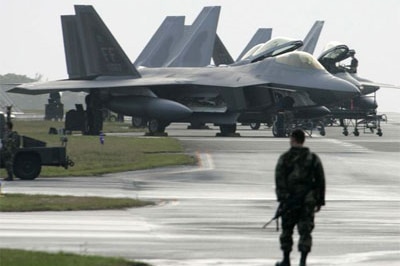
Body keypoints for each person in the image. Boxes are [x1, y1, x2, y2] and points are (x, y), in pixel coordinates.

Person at [274, 128, 325, 266]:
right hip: (307, 201)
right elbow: (320, 180)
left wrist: (282, 198)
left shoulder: (285, 158)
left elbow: (279, 180)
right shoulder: (313, 158)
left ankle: (286, 260)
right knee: (305, 231)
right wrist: (319, 201)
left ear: (293, 139)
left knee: (287, 230)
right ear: (303, 140)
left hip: (289, 201)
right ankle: (302, 261)